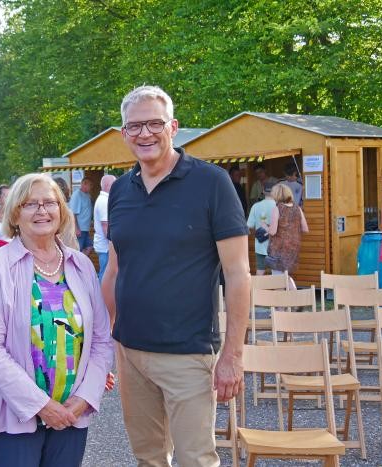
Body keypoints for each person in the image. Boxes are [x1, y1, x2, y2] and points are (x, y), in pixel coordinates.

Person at [101, 86, 250, 466]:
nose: (145, 134)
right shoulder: (120, 190)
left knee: (195, 459)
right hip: (131, 352)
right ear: (124, 133)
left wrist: (232, 354)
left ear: (174, 127)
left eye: (154, 123)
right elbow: (115, 269)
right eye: (135, 126)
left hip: (187, 351)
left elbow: (238, 274)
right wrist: (108, 340)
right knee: (149, 457)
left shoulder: (211, 183)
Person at [0, 173, 114, 467]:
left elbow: (100, 340)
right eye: (30, 204)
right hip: (13, 415)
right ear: (15, 213)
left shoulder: (82, 265)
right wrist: (42, 406)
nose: (42, 210)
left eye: (49, 203)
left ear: (61, 210)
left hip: (72, 410)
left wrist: (86, 396)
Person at [264, 183, 309, 281]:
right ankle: (295, 294)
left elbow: (272, 232)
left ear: (277, 195)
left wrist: (265, 227)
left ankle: (283, 295)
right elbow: (305, 229)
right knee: (285, 276)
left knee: (278, 279)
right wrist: (291, 229)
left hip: (278, 248)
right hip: (292, 248)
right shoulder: (297, 208)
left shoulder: (277, 208)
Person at [246, 181, 276, 276]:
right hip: (276, 245)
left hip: (260, 245)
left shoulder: (255, 206)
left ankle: (258, 290)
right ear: (275, 191)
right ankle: (277, 291)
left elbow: (249, 225)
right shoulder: (279, 206)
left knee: (260, 270)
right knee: (276, 273)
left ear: (263, 191)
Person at [93, 174, 116, 280]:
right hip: (105, 246)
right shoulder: (103, 201)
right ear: (108, 185)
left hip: (103, 245)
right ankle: (101, 296)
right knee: (105, 273)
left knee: (105, 272)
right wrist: (113, 242)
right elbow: (105, 225)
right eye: (114, 184)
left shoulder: (103, 199)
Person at [69, 177, 93, 255]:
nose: (91, 187)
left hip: (85, 229)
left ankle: (82, 265)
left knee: (89, 247)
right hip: (80, 229)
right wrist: (76, 228)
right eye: (90, 185)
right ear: (84, 184)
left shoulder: (87, 195)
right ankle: (77, 266)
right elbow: (73, 213)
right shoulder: (77, 195)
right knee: (78, 250)